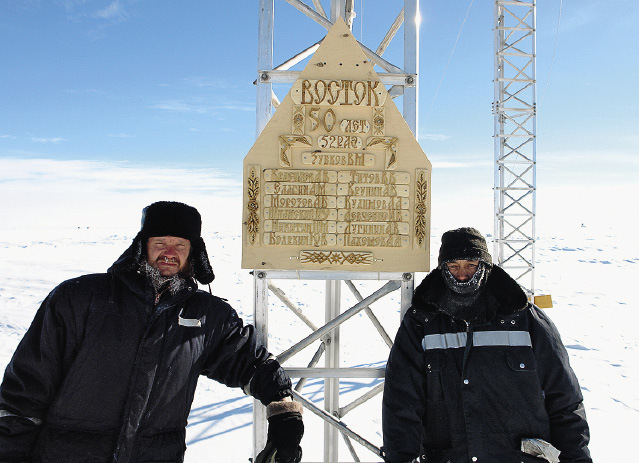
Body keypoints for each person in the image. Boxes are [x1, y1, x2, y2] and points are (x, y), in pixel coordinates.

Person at [0, 201, 303, 463]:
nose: (169, 252)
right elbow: (24, 392)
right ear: (142, 245)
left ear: (193, 253)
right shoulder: (79, 299)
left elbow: (251, 364)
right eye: (160, 242)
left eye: (180, 245)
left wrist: (284, 415)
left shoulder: (208, 316)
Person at [381, 227, 592, 463]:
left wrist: (577, 458)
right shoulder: (422, 322)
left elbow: (564, 399)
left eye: (471, 265)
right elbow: (401, 403)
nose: (463, 274)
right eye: (454, 266)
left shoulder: (524, 318)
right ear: (443, 268)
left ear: (485, 266)